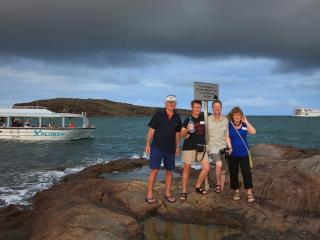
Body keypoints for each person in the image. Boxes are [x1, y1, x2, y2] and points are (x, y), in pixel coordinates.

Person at [145, 95, 182, 204]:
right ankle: (149, 195)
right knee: (154, 170)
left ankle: (168, 193)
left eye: (173, 102)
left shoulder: (177, 117)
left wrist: (177, 146)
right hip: (157, 147)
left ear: (175, 104)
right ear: (165, 104)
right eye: (169, 102)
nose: (171, 104)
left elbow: (177, 133)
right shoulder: (158, 115)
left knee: (169, 171)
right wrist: (147, 144)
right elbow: (151, 130)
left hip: (170, 148)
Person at [179, 100, 210, 201]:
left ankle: (197, 187)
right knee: (186, 170)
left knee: (206, 167)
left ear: (200, 108)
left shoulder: (203, 118)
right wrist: (187, 130)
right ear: (192, 108)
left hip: (201, 147)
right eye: (195, 107)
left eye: (198, 107)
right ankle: (184, 191)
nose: (197, 109)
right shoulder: (187, 119)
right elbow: (181, 134)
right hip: (189, 147)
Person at [228, 106, 256, 203]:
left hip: (244, 153)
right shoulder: (229, 125)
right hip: (233, 154)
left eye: (239, 114)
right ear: (232, 116)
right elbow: (226, 136)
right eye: (235, 114)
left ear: (241, 115)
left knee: (246, 172)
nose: (237, 116)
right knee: (234, 173)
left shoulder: (244, 124)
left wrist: (246, 121)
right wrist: (229, 147)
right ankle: (236, 190)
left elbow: (253, 132)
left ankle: (249, 192)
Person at [207, 100, 232, 193]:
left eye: (218, 106)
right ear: (212, 108)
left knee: (224, 169)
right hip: (213, 148)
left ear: (221, 108)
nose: (217, 108)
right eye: (215, 107)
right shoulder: (208, 119)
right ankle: (218, 184)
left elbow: (227, 136)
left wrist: (230, 147)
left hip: (223, 147)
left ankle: (221, 187)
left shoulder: (225, 120)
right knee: (219, 164)